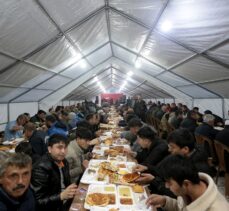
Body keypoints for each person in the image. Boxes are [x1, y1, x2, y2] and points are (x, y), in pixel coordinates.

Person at [146, 155, 229, 211]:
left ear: (186, 184)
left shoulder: (217, 208)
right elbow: (181, 207)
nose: (166, 186)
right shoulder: (189, 190)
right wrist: (165, 201)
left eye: (169, 183)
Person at [31, 134, 77, 211]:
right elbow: (38, 202)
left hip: (64, 202)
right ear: (49, 149)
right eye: (59, 147)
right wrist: (60, 196)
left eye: (65, 148)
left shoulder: (64, 161)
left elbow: (66, 184)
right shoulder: (41, 168)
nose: (63, 151)